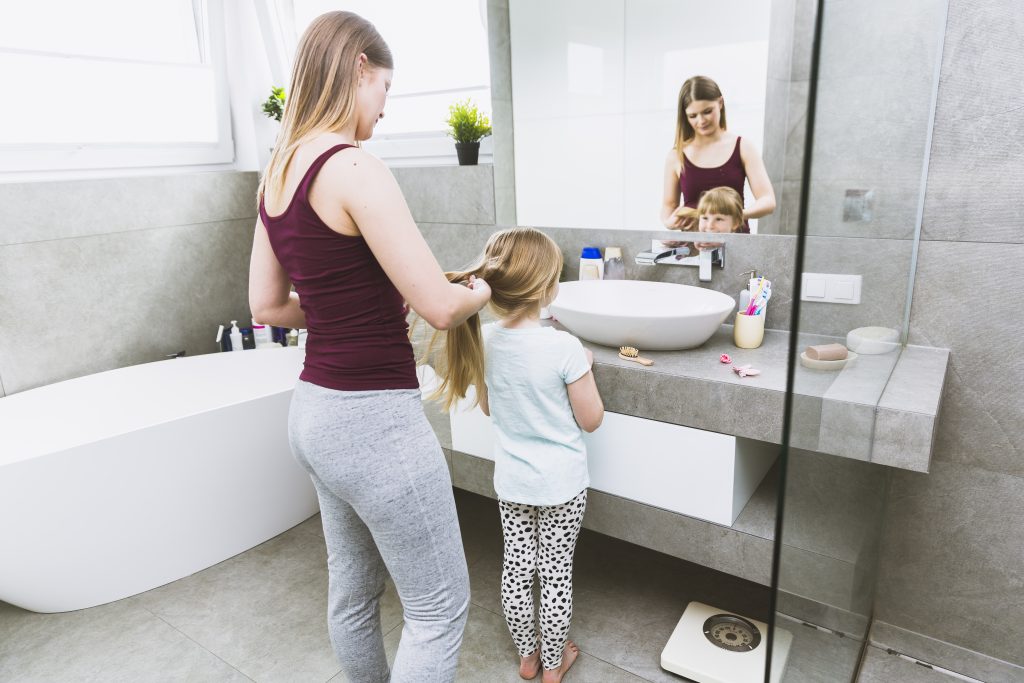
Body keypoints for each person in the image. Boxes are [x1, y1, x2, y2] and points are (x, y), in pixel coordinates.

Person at [247, 11, 491, 682]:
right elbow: (441, 307)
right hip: (372, 420)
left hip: (314, 415)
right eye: (385, 89)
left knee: (353, 597)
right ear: (359, 69)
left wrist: (348, 304)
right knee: (439, 608)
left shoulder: (277, 173)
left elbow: (267, 306)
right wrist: (485, 287)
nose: (384, 110)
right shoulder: (355, 166)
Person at [428, 227, 604, 683]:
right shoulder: (563, 347)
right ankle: (554, 663)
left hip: (513, 484)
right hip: (561, 487)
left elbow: (488, 407)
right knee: (555, 575)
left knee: (517, 569)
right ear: (547, 289)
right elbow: (592, 419)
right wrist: (583, 366)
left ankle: (527, 658)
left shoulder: (485, 338)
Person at [661, 75, 776, 233]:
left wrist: (738, 215)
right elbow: (669, 207)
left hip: (735, 247)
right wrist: (670, 223)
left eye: (707, 111)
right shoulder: (676, 155)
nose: (701, 121)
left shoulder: (743, 147)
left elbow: (767, 200)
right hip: (694, 250)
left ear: (720, 103)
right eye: (693, 116)